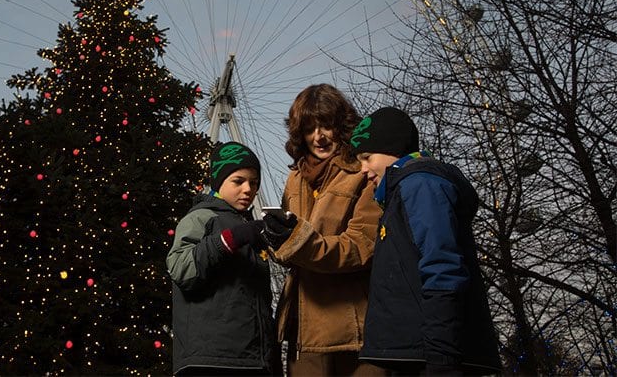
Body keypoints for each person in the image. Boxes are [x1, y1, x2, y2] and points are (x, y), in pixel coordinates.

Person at [349, 107, 501, 375]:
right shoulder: (400, 194)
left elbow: (442, 267)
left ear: (391, 148)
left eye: (366, 157)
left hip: (432, 356)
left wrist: (442, 358)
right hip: (413, 354)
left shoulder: (420, 185)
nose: (362, 169)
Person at [260, 84, 382, 376]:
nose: (319, 136)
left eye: (326, 125)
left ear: (341, 127)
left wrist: (297, 242)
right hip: (302, 329)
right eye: (310, 127)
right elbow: (290, 250)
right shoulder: (295, 178)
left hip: (352, 329)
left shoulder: (362, 175)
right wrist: (275, 241)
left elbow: (361, 247)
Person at [167, 141, 281, 376]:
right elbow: (182, 269)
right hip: (211, 359)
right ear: (219, 182)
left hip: (253, 360)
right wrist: (228, 240)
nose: (248, 189)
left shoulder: (251, 229)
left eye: (254, 182)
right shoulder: (200, 218)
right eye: (238, 181)